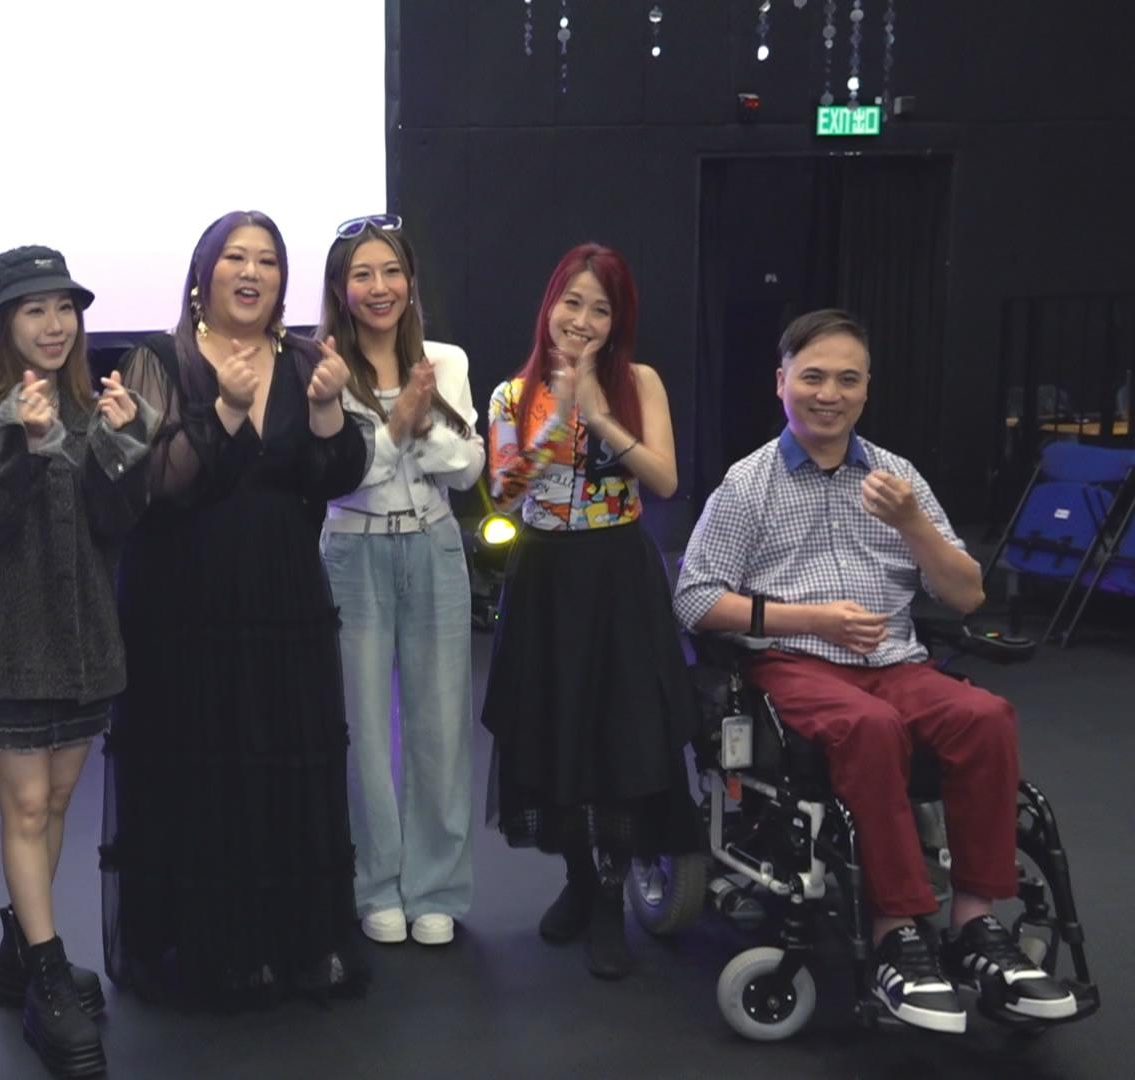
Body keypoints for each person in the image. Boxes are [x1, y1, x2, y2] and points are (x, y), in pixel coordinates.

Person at [673, 308, 1078, 1033]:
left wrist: (913, 524)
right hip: (795, 663)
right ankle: (897, 932)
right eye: (813, 377)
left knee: (985, 717)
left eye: (847, 380)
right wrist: (813, 619)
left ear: (866, 389)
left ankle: (975, 922)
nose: (829, 394)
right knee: (870, 726)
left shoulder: (898, 478)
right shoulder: (749, 484)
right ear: (781, 382)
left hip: (894, 660)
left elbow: (966, 595)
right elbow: (696, 599)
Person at [100, 210, 372, 1008]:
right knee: (199, 766)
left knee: (279, 759)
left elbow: (335, 475)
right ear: (203, 273)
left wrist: (327, 411)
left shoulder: (306, 360)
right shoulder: (158, 360)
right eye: (235, 258)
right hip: (181, 604)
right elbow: (155, 485)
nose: (252, 273)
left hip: (283, 599)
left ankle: (287, 942)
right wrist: (223, 411)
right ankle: (210, 947)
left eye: (268, 261)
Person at [0, 245, 152, 1077]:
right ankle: (48, 974)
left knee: (57, 800)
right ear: (2, 324)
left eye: (65, 307)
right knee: (27, 808)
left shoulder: (93, 408)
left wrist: (123, 443)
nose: (55, 324)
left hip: (83, 633)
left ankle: (23, 952)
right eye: (35, 310)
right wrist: (26, 448)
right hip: (7, 637)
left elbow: (117, 522)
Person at [480, 242, 695, 980]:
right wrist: (556, 421)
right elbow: (503, 493)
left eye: (600, 308)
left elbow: (664, 479)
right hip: (545, 576)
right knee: (555, 732)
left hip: (618, 576)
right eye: (571, 302)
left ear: (617, 320)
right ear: (549, 305)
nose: (582, 320)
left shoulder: (640, 382)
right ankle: (577, 877)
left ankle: (610, 896)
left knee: (621, 735)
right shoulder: (511, 395)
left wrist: (599, 417)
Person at [315, 215, 482, 948]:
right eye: (362, 274)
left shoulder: (444, 360)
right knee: (361, 730)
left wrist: (419, 421)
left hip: (434, 544)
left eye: (391, 272)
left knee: (441, 726)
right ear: (340, 289)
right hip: (353, 551)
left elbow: (470, 469)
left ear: (410, 282)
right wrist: (396, 429)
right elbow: (338, 478)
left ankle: (436, 886)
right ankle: (376, 884)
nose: (379, 287)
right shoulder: (321, 365)